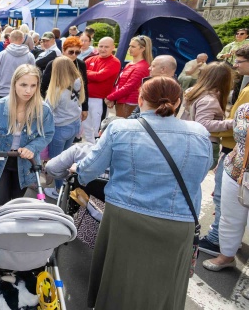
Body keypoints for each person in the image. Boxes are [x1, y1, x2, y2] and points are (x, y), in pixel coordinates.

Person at [75, 76, 212, 310]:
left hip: (126, 217)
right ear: (177, 102)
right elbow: (201, 172)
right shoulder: (199, 133)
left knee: (120, 281)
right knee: (164, 286)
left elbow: (88, 170)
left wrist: (78, 173)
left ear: (139, 99)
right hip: (178, 221)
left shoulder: (121, 128)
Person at [0, 64, 55, 205]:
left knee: (15, 205)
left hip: (26, 163)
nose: (28, 90)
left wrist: (32, 147)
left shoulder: (43, 110)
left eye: (33, 85)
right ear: (14, 83)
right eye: (23, 85)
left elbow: (47, 134)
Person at [199, 45, 249, 256]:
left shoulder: (247, 90)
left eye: (239, 61)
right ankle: (226, 238)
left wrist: (227, 124)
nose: (235, 65)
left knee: (225, 199)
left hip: (236, 149)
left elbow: (239, 123)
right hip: (232, 147)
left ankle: (218, 239)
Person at [43, 57, 85, 199]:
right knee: (67, 159)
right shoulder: (78, 82)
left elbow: (47, 112)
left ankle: (59, 190)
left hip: (60, 128)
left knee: (57, 162)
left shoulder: (56, 90)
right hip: (74, 124)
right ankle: (66, 186)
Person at [181, 62, 233, 168]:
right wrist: (232, 123)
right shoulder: (209, 99)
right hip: (205, 143)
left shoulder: (192, 92)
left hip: (188, 138)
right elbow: (203, 123)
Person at [83, 37, 121, 142]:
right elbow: (79, 74)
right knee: (85, 125)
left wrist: (86, 73)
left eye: (106, 47)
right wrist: (91, 75)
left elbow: (100, 77)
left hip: (99, 100)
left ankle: (95, 148)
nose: (103, 49)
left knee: (97, 128)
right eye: (101, 46)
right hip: (85, 99)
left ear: (113, 48)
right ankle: (86, 146)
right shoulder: (90, 59)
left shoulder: (114, 62)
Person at [105, 35, 152, 118]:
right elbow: (118, 84)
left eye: (133, 46)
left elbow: (129, 87)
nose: (129, 48)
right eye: (129, 46)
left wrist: (110, 97)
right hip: (123, 102)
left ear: (142, 49)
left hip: (129, 104)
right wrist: (113, 97)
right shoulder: (131, 64)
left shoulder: (142, 67)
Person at [0, 30, 36, 101]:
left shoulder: (2, 55)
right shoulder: (30, 56)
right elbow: (34, 76)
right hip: (23, 93)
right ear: (22, 39)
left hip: (3, 92)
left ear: (9, 39)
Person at [219, 28, 249, 104]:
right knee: (225, 83)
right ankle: (223, 101)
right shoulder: (231, 45)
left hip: (243, 68)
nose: (238, 35)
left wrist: (238, 52)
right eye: (237, 33)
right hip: (230, 66)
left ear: (247, 35)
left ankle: (235, 103)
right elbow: (218, 55)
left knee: (238, 85)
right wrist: (224, 55)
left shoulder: (247, 44)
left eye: (242, 34)